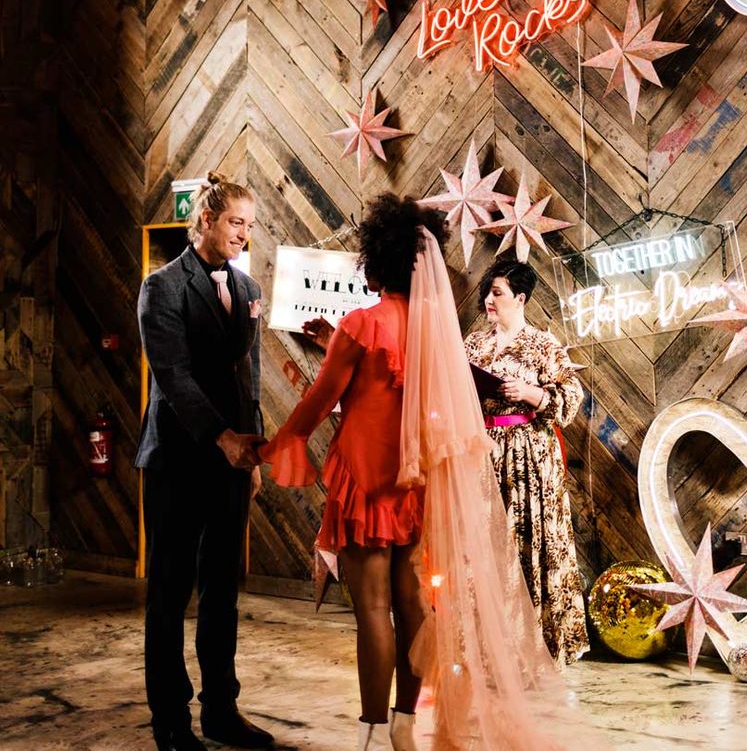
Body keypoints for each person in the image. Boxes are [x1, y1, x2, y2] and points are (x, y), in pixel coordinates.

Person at [259, 195, 447, 751]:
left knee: (372, 612)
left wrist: (278, 442)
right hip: (415, 478)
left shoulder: (362, 323)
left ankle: (368, 733)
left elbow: (321, 403)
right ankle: (406, 725)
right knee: (414, 607)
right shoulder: (435, 330)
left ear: (376, 260)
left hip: (364, 480)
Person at [135, 174, 272, 751]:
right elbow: (174, 377)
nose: (245, 234)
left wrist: (254, 450)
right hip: (177, 458)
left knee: (222, 589)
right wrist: (222, 438)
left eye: (251, 225)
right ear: (208, 220)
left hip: (233, 462)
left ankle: (221, 710)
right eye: (237, 222)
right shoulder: (161, 287)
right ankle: (170, 720)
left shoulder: (246, 290)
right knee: (169, 592)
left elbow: (250, 379)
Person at [464, 260, 589, 665]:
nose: (488, 300)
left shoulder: (542, 345)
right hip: (482, 449)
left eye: (497, 292)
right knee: (484, 543)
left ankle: (530, 645)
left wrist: (531, 393)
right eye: (487, 292)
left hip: (528, 454)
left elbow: (572, 397)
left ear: (520, 298)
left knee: (526, 541)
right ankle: (485, 640)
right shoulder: (475, 344)